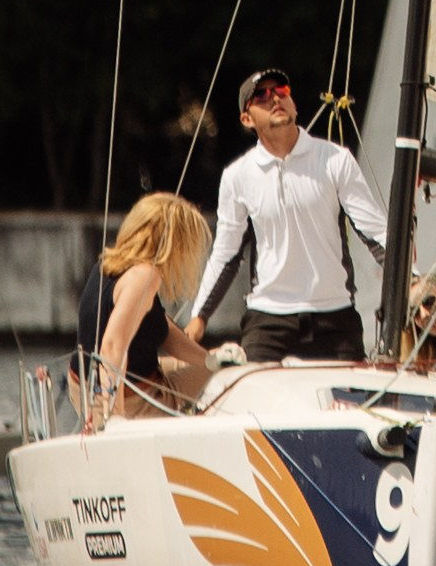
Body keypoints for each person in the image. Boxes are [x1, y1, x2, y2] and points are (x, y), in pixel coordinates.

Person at [189, 68, 388, 365]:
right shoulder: (237, 176)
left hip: (336, 319)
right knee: (254, 407)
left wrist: (412, 281)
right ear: (247, 119)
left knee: (351, 407)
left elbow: (376, 233)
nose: (275, 99)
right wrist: (198, 319)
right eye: (262, 96)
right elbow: (226, 254)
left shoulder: (335, 159)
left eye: (281, 91)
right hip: (268, 320)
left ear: (293, 103)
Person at [74, 192, 213, 427]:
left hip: (82, 384)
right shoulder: (145, 277)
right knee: (235, 376)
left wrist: (210, 359)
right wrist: (114, 417)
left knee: (219, 366)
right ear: (173, 244)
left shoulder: (108, 265)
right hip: (134, 401)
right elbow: (112, 346)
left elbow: (161, 329)